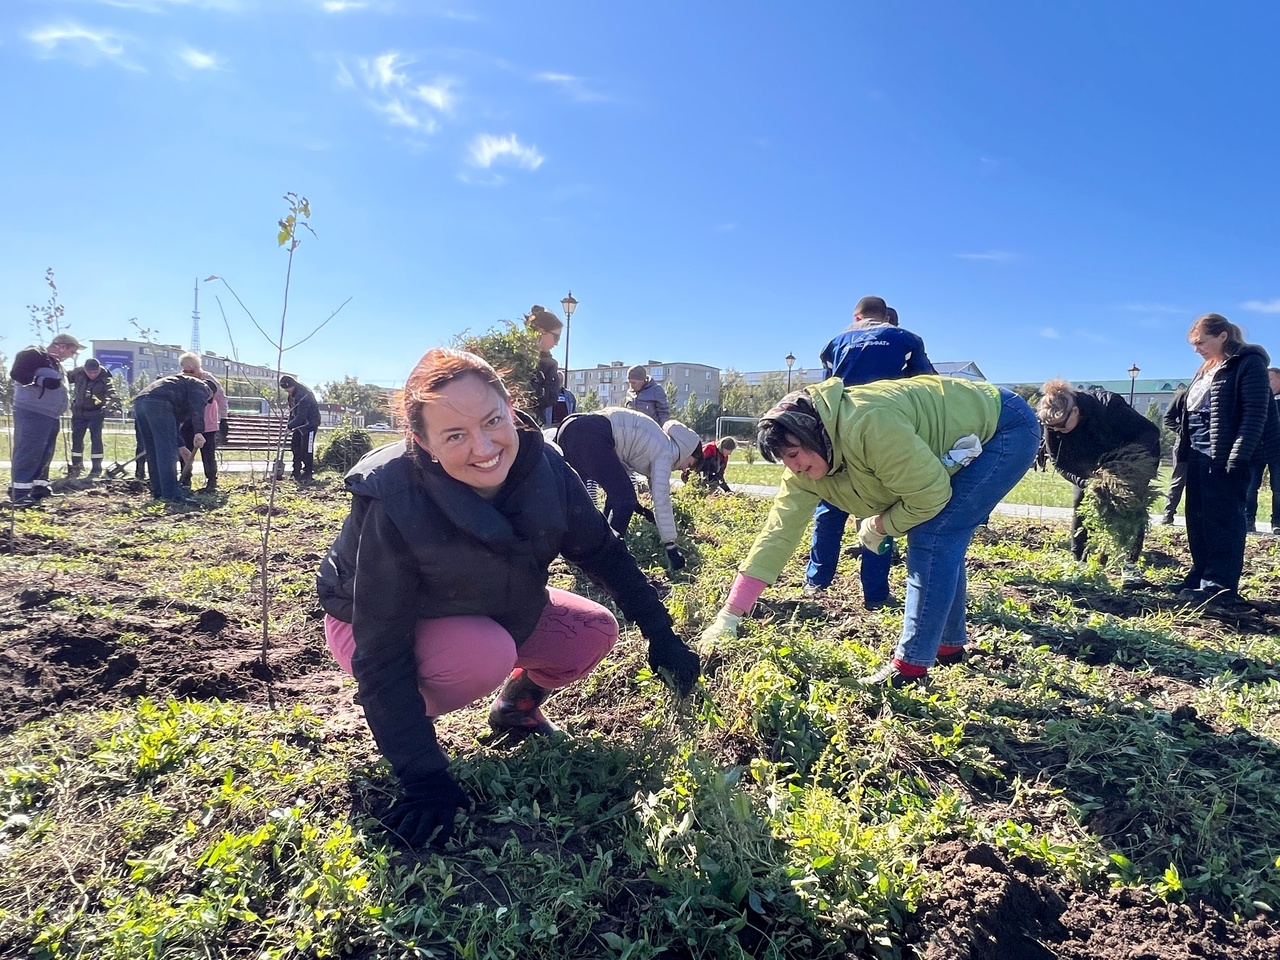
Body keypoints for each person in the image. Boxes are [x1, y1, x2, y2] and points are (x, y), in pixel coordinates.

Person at [316, 348, 700, 849]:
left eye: (492, 421)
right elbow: (381, 643)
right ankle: (408, 722)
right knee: (483, 652)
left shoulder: (546, 468)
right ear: (422, 442)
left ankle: (516, 710)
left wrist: (661, 634)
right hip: (365, 623)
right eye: (455, 435)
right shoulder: (396, 498)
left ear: (510, 409)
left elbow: (605, 554)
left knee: (592, 630)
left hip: (475, 606)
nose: (483, 447)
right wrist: (423, 777)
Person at [698, 375, 1040, 687]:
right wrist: (731, 613)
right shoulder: (803, 469)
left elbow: (930, 496)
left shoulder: (868, 423)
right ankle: (948, 647)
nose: (794, 466)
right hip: (962, 438)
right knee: (942, 537)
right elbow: (778, 533)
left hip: (1003, 425)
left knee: (934, 535)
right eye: (785, 460)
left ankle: (909, 669)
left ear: (810, 432)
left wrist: (881, 526)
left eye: (794, 453)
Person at [805, 296, 936, 609]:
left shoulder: (834, 344)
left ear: (856, 315)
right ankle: (875, 595)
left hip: (839, 435)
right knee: (879, 512)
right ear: (887, 317)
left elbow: (827, 393)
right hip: (883, 434)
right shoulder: (905, 339)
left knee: (830, 506)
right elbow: (930, 386)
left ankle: (816, 581)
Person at [1164, 314, 1280, 609]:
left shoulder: (1247, 363)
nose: (1197, 348)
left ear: (1223, 336)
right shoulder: (1206, 368)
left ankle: (1220, 586)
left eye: (1201, 342)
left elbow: (1256, 412)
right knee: (1198, 519)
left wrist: (1239, 454)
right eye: (1194, 344)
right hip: (1200, 456)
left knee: (1224, 522)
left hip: (1228, 458)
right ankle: (1200, 576)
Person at [552, 407, 703, 571]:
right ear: (688, 451)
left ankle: (581, 551)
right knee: (624, 499)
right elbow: (662, 501)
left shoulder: (655, 441)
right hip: (591, 433)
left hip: (571, 428)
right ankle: (607, 560)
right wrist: (671, 547)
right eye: (689, 465)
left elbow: (619, 479)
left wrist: (640, 508)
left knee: (580, 503)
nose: (683, 470)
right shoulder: (665, 452)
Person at [1036, 379, 1161, 567]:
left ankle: (1130, 566)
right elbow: (1059, 462)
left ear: (1075, 411)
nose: (1056, 431)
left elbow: (1150, 432)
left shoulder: (1109, 407)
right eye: (1051, 427)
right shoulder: (1053, 422)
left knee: (1130, 508)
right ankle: (1079, 562)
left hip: (1131, 458)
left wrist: (1124, 469)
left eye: (1060, 426)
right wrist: (1088, 483)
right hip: (1090, 463)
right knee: (1082, 504)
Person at [8, 332, 83, 505]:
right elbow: (17, 372)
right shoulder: (33, 354)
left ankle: (38, 489)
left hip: (50, 415)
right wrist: (39, 380)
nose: (72, 356)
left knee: (44, 453)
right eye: (72, 352)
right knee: (29, 450)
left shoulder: (55, 364)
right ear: (61, 346)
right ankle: (19, 494)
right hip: (32, 411)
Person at [132, 373, 214, 505]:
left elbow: (174, 424)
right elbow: (197, 410)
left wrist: (181, 447)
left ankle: (159, 492)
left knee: (153, 450)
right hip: (159, 402)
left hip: (141, 402)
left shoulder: (181, 388)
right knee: (167, 453)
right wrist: (199, 432)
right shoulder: (202, 387)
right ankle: (172, 496)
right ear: (210, 393)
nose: (205, 402)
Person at [178, 352, 229, 493]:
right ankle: (186, 480)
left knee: (208, 454)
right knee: (185, 452)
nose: (188, 373)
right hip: (187, 423)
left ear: (197, 367)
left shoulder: (208, 379)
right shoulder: (181, 379)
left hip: (207, 424)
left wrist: (224, 418)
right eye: (185, 370)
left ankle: (211, 480)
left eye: (191, 370)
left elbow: (222, 399)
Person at [67, 357, 121, 478]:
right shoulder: (77, 373)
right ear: (85, 370)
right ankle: (76, 466)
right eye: (89, 372)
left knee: (96, 439)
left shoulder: (105, 377)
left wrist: (115, 408)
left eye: (95, 372)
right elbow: (62, 379)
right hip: (78, 413)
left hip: (96, 413)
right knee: (76, 440)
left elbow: (112, 394)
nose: (92, 375)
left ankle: (96, 468)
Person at [1244, 366, 1280, 535]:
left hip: (1277, 452)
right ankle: (1248, 521)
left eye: (1269, 379)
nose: (1265, 383)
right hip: (1256, 450)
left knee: (1278, 488)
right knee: (1251, 487)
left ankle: (1277, 522)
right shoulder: (1258, 399)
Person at [526, 305, 563, 427]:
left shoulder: (548, 363)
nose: (557, 343)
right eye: (556, 336)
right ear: (542, 332)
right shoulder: (518, 360)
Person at [280, 375, 321, 483]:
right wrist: (289, 425)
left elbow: (302, 415)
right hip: (299, 425)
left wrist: (290, 426)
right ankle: (296, 471)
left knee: (306, 449)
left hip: (309, 425)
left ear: (292, 385)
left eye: (287, 388)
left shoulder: (304, 395)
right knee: (295, 447)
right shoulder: (291, 396)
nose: (286, 391)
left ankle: (308, 473)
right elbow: (293, 413)